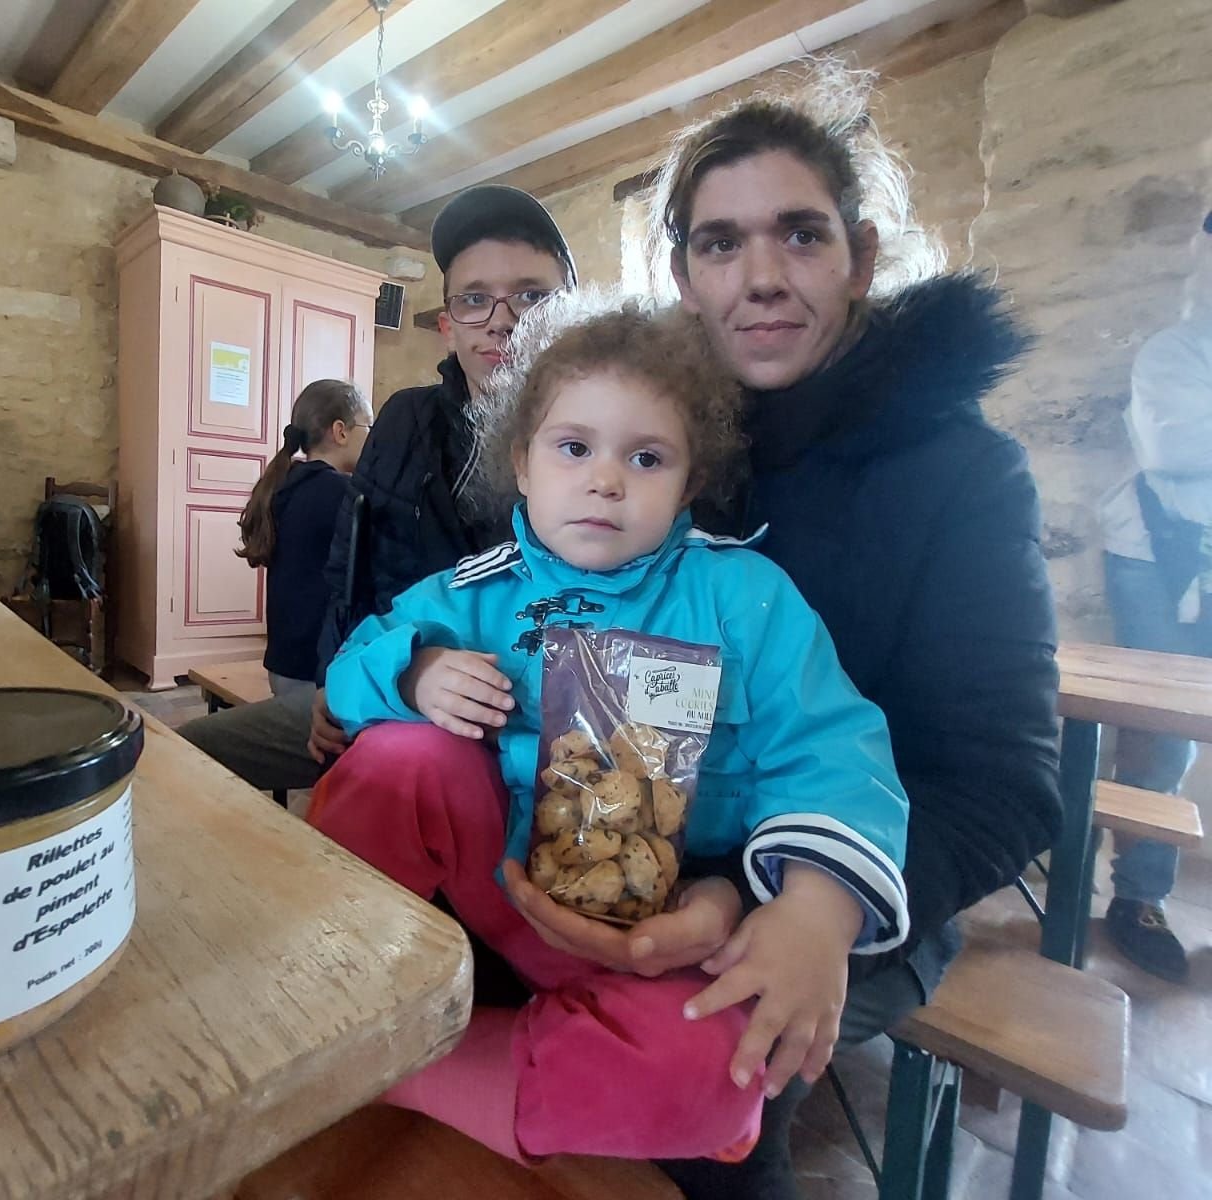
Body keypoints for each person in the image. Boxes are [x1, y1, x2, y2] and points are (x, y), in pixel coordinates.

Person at [301, 67, 1063, 1200]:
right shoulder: (625, 421)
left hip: (822, 877)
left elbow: (997, 782)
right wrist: (395, 677)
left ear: (857, 254)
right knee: (330, 759)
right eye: (720, 243)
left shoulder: (938, 484)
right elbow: (448, 612)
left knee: (720, 1095)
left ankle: (409, 1067)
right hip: (549, 840)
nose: (760, 275)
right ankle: (334, 1008)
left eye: (799, 236)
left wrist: (794, 901)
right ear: (681, 271)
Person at [311, 299, 910, 1164]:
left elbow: (834, 751)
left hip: (658, 931)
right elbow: (350, 669)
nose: (606, 479)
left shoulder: (748, 599)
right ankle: (330, 986)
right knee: (402, 752)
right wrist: (411, 674)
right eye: (574, 447)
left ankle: (385, 1063)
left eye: (647, 457)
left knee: (722, 1081)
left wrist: (820, 908)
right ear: (521, 462)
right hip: (499, 885)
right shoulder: (473, 595)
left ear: (689, 480)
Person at [178, 185, 576, 789]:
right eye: (475, 299)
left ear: (573, 310)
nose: (501, 321)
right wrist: (333, 678)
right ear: (448, 325)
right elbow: (351, 570)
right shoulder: (404, 422)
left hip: (523, 739)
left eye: (531, 296)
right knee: (170, 760)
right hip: (381, 689)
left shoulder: (608, 442)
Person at [1094, 208, 1212, 984]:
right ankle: (1137, 898)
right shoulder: (1176, 352)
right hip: (1157, 559)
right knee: (1164, 734)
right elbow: (1176, 447)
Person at [235, 379, 372, 697]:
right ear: (340, 431)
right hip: (316, 672)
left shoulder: (287, 482)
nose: (373, 436)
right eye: (369, 425)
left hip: (283, 664)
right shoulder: (340, 493)